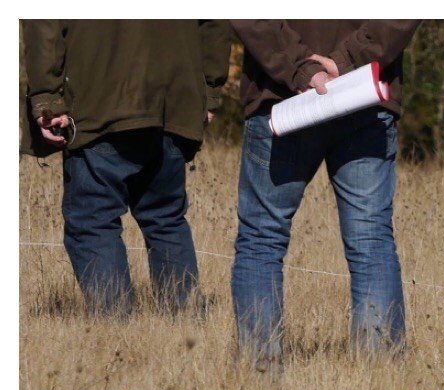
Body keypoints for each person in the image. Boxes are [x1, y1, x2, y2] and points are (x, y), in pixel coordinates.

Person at [229, 20, 419, 371]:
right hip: (364, 93)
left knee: (261, 239)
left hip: (281, 95)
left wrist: (305, 68)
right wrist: (349, 59)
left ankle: (260, 376)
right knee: (371, 240)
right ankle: (380, 385)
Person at [21, 20, 231, 315]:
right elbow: (214, 21)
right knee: (165, 219)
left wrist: (47, 98)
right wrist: (208, 91)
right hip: (173, 99)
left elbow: (43, 21)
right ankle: (184, 330)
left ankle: (114, 338)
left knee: (93, 221)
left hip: (97, 99)